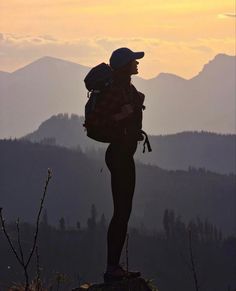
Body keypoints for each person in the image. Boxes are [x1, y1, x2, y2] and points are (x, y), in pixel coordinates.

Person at [104, 47, 147, 283]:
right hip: (119, 155)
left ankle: (114, 266)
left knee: (123, 211)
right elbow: (96, 120)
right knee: (121, 212)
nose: (137, 64)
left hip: (124, 154)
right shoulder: (115, 91)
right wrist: (122, 116)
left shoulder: (127, 89)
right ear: (124, 66)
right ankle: (112, 268)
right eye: (134, 61)